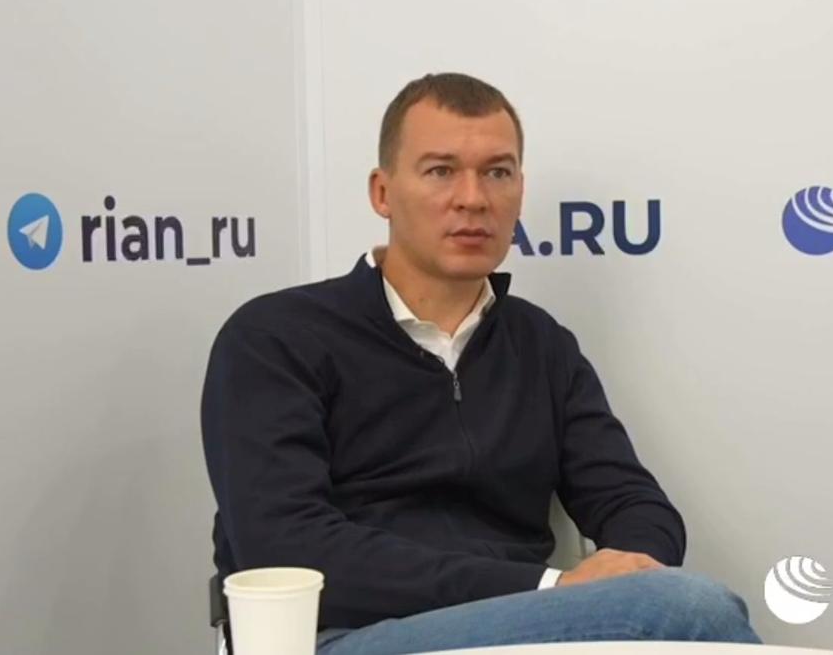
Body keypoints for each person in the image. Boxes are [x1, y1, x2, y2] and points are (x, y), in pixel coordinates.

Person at [201, 72, 761, 654]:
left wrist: (629, 569)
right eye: (441, 171)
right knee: (684, 612)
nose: (473, 198)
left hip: (524, 623)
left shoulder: (540, 343)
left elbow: (632, 501)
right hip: (339, 634)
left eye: (497, 172)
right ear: (383, 193)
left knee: (669, 604)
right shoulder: (276, 337)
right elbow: (286, 547)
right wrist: (551, 588)